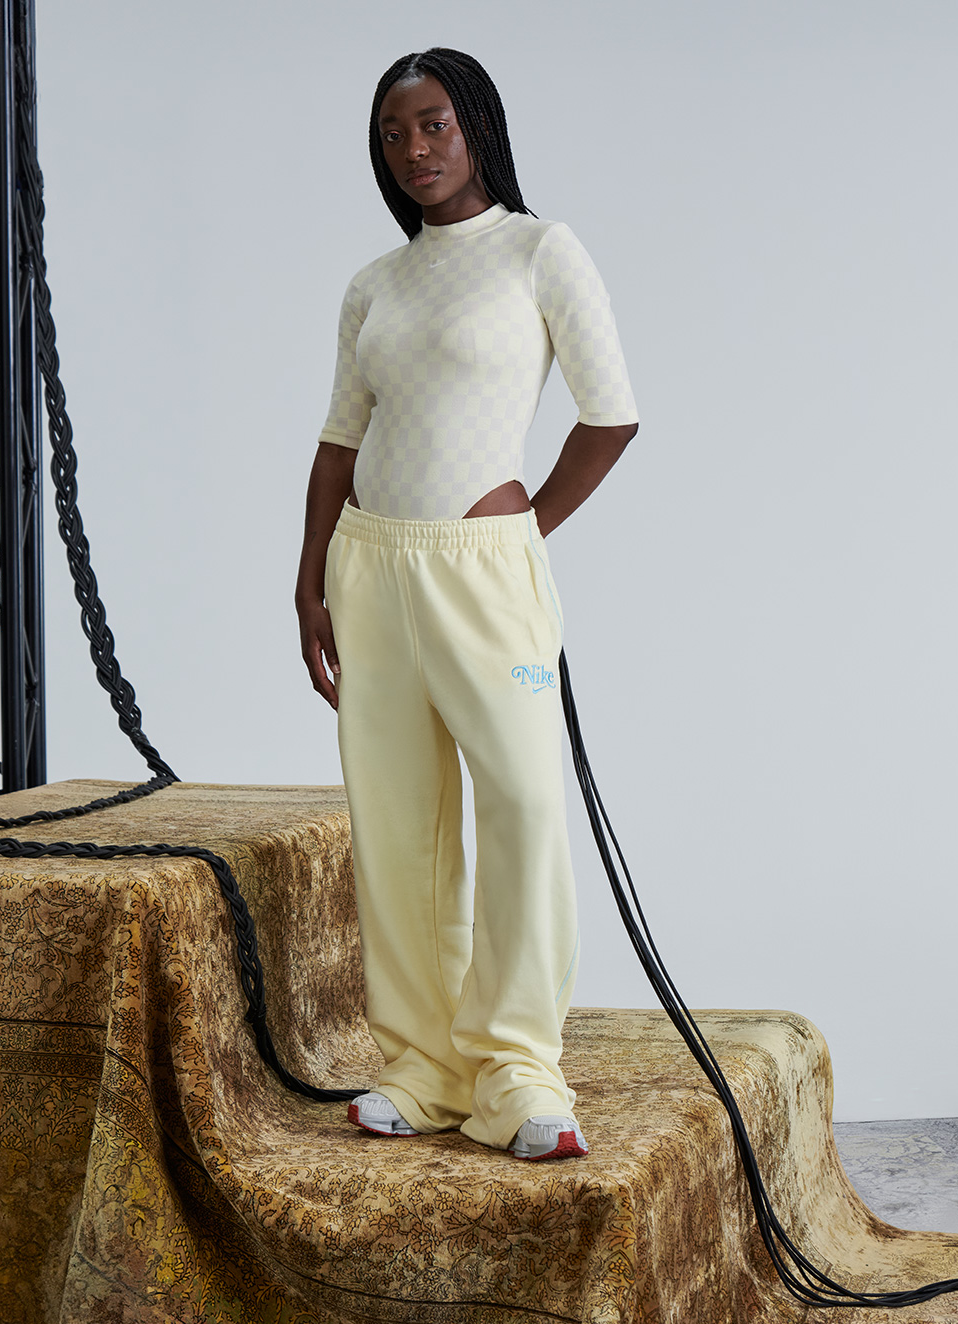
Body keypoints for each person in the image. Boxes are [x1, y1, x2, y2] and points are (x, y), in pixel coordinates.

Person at [293, 47, 639, 1163]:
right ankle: (424, 1068)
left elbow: (610, 414)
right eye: (393, 134)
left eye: (432, 124)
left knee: (528, 804)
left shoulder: (542, 250)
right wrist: (309, 576)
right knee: (398, 823)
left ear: (475, 125)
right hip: (370, 561)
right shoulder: (374, 284)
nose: (414, 149)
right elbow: (341, 437)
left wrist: (522, 526)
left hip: (483, 566)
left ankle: (516, 1071)